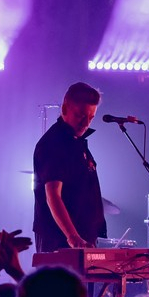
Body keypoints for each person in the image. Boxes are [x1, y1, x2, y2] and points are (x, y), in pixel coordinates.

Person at [33, 82, 106, 253]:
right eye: (80, 115)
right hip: (61, 243)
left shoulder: (76, 143)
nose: (86, 123)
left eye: (91, 117)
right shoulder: (53, 144)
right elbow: (53, 196)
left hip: (82, 241)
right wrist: (73, 237)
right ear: (65, 108)